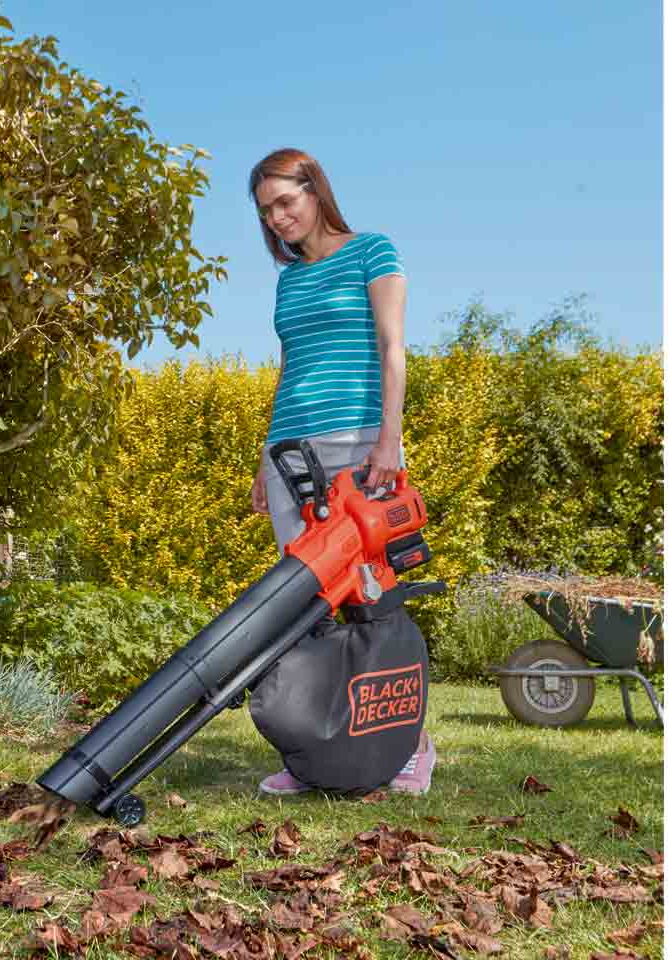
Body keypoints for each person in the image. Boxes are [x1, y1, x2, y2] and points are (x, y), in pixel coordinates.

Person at [246, 147, 435, 797]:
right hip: (289, 455)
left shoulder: (372, 251)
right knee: (308, 610)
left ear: (315, 191)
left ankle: (411, 746)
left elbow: (391, 346)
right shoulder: (289, 279)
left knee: (370, 601)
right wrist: (262, 460)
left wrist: (391, 437)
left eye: (285, 202)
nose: (276, 219)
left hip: (358, 447)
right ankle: (319, 755)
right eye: (266, 211)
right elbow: (289, 369)